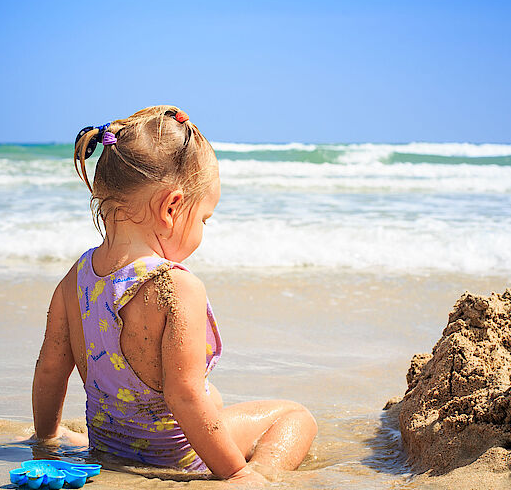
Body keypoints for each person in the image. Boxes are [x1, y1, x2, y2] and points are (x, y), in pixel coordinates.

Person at [29, 106, 316, 483]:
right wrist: (237, 473)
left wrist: (47, 438)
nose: (202, 230)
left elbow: (50, 368)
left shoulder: (75, 280)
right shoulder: (177, 288)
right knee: (296, 417)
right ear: (172, 207)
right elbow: (185, 396)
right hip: (180, 459)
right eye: (204, 219)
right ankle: (258, 473)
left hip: (107, 450)